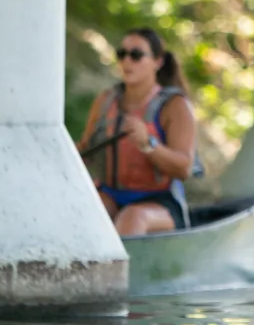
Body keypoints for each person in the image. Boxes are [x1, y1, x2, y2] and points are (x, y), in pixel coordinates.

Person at [81, 28, 200, 237]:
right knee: (84, 208)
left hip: (159, 202)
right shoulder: (105, 101)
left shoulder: (175, 106)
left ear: (157, 61)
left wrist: (149, 144)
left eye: (136, 55)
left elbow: (184, 168)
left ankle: (123, 269)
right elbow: (85, 149)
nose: (127, 61)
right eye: (121, 54)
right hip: (110, 194)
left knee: (132, 217)